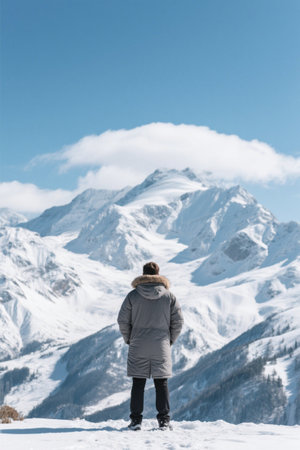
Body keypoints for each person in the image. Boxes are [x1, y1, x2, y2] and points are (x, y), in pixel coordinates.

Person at [117, 261, 184, 431]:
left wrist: (129, 339)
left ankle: (136, 421)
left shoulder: (132, 296)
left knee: (138, 383)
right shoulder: (169, 296)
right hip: (161, 344)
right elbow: (178, 322)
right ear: (158, 274)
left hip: (138, 343)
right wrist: (169, 340)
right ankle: (164, 421)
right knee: (161, 383)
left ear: (143, 274)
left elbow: (122, 320)